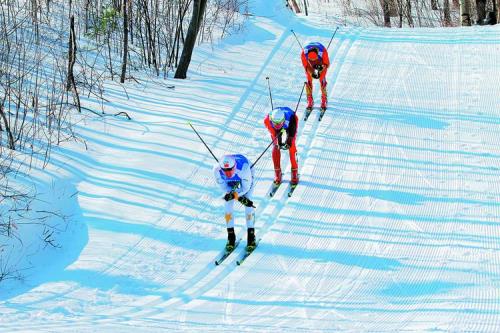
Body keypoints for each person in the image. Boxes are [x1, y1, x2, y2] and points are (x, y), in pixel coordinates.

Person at [214, 154, 256, 252]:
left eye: (230, 170)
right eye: (225, 171)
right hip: (230, 182)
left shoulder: (244, 169)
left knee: (248, 201)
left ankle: (251, 236)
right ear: (221, 168)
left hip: (246, 176)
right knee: (228, 204)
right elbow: (224, 188)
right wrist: (232, 195)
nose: (228, 173)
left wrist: (237, 196)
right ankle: (231, 236)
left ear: (235, 166)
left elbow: (246, 188)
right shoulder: (217, 171)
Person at [264, 107, 299, 186]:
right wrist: (279, 142)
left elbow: (292, 133)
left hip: (290, 122)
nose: (278, 125)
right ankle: (277, 171)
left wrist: (288, 141)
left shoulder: (291, 118)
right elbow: (275, 134)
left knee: (292, 145)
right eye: (276, 123)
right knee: (275, 146)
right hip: (276, 126)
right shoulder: (267, 121)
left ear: (283, 120)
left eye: (280, 123)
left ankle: (294, 170)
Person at [300, 42, 330, 110]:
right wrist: (312, 73)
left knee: (322, 78)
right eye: (311, 59)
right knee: (309, 78)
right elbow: (306, 67)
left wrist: (321, 68)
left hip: (320, 62)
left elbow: (327, 64)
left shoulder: (323, 52)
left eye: (314, 59)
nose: (313, 60)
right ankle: (309, 98)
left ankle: (324, 99)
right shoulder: (303, 54)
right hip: (309, 64)